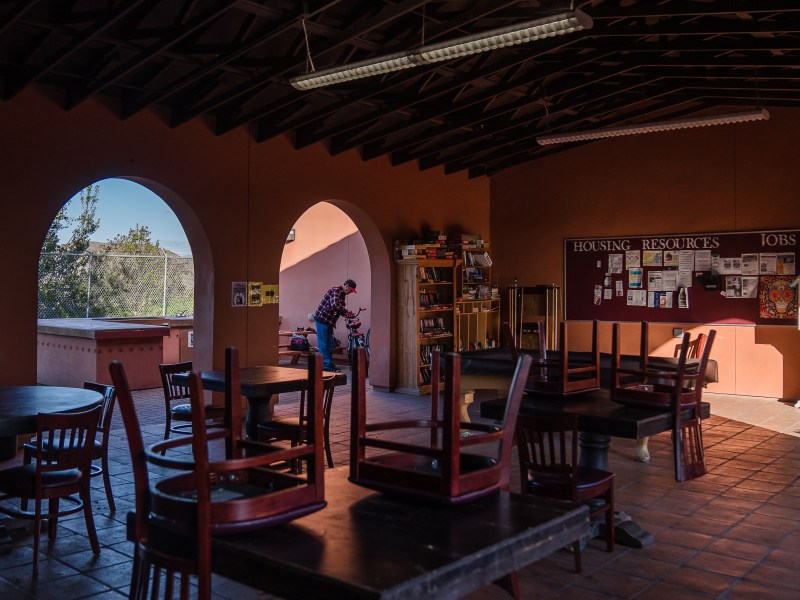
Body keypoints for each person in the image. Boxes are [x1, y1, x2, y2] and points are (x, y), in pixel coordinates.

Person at [313, 279, 357, 372]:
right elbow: (335, 304)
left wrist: (347, 314)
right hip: (322, 319)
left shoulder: (342, 294)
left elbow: (338, 309)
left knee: (330, 344)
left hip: (329, 322)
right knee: (323, 344)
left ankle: (328, 363)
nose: (350, 292)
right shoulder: (335, 290)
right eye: (350, 290)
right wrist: (346, 312)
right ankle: (325, 366)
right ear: (346, 286)